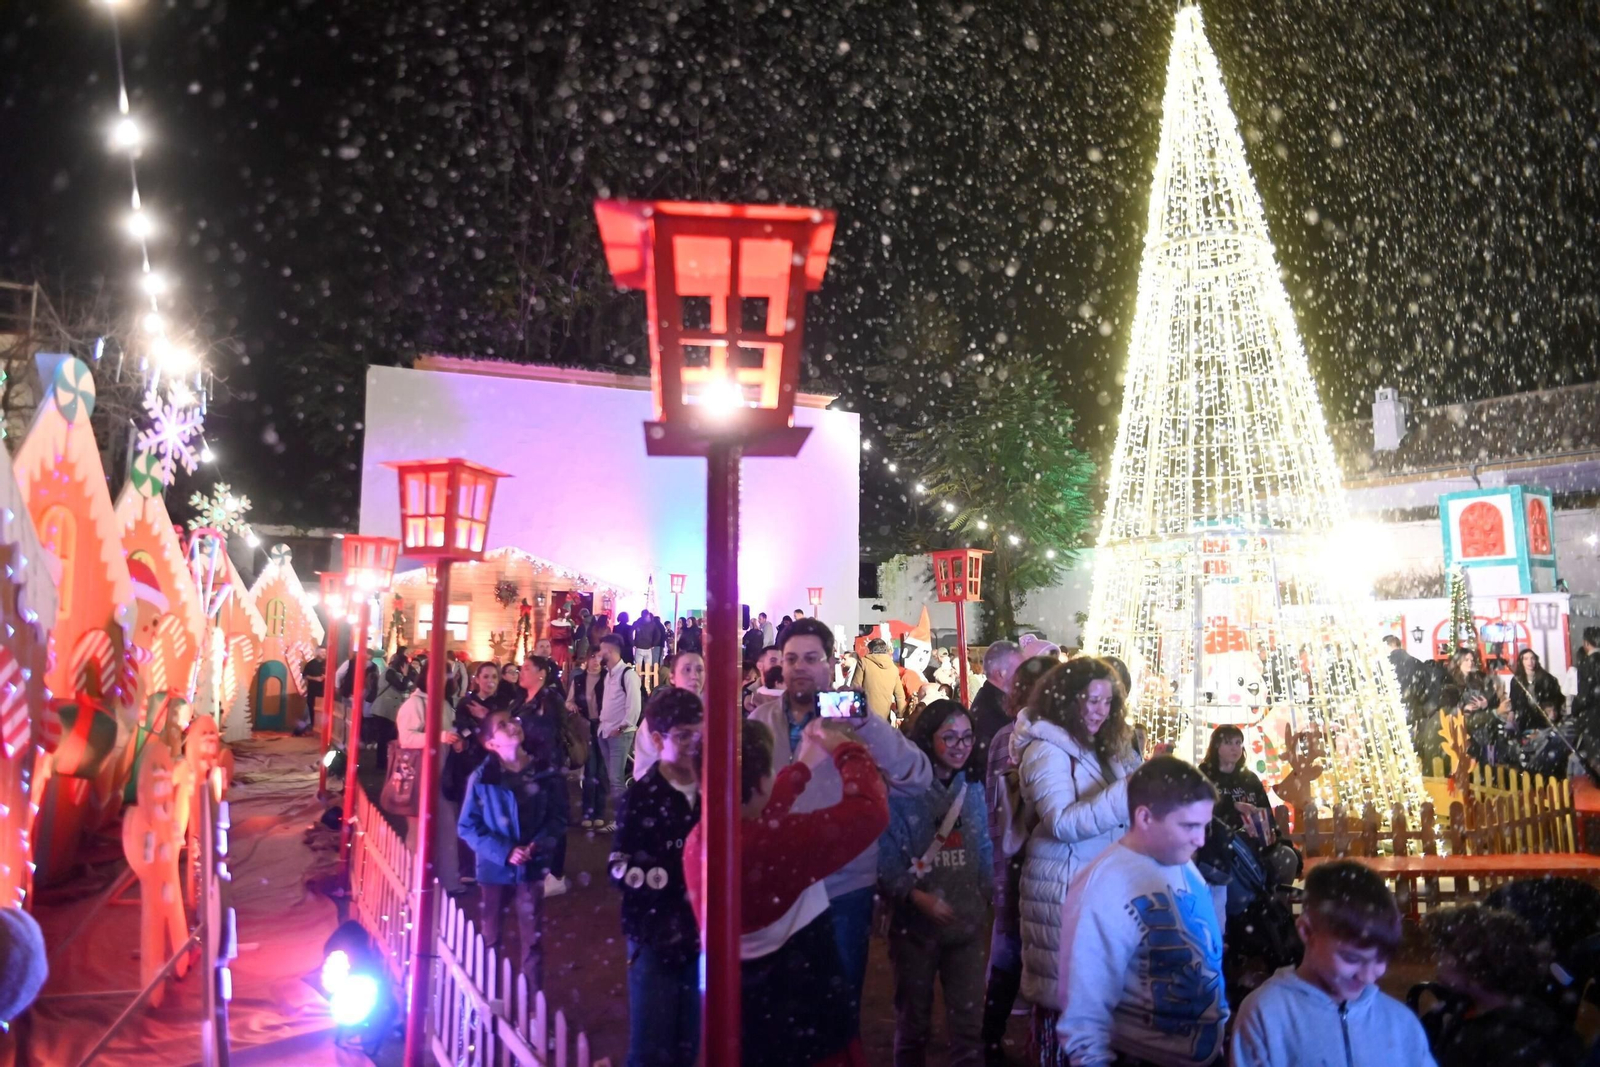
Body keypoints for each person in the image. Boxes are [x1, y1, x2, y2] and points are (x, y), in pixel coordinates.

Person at [748, 617, 932, 1029]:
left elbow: (917, 778)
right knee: (778, 1007)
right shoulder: (761, 722)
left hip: (843, 886)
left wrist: (867, 725)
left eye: (812, 658)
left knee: (839, 1005)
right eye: (791, 658)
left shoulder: (857, 721)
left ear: (831, 665)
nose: (799, 667)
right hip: (778, 886)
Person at [686, 717, 888, 1067]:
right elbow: (870, 812)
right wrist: (845, 748)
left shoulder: (703, 839)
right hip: (806, 1017)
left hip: (749, 1018)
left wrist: (801, 768)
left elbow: (757, 816)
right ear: (763, 780)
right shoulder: (775, 847)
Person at [1056, 757, 1226, 1067]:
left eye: (1204, 826)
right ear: (1145, 818)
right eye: (1189, 826)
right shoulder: (1102, 887)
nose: (1200, 839)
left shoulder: (1182, 861)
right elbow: (1085, 1013)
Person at [1016, 658, 1141, 1044]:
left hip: (1098, 886)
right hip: (1063, 887)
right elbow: (1061, 822)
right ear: (1066, 700)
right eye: (1088, 700)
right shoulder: (1046, 749)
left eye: (1106, 702)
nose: (1097, 711)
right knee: (1067, 1012)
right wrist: (1125, 791)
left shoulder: (1105, 746)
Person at [1230, 859, 1432, 1067]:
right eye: (1352, 958)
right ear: (1307, 931)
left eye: (1380, 959)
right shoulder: (1265, 1014)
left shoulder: (1400, 1023)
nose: (1368, 976)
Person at [880, 699, 992, 1067]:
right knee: (914, 1023)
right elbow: (885, 854)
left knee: (969, 1026)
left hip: (967, 925)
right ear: (928, 740)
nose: (961, 747)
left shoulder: (973, 786)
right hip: (915, 929)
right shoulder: (902, 791)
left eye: (967, 737)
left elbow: (985, 845)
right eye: (950, 737)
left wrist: (988, 892)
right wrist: (915, 897)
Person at [610, 687, 703, 1067]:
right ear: (657, 738)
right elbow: (618, 866)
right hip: (654, 936)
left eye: (699, 733)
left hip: (702, 937)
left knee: (693, 1041)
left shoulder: (717, 788)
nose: (694, 744)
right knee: (651, 1046)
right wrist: (671, 878)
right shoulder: (642, 796)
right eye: (683, 736)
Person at [981, 653, 1061, 1066]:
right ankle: (1021, 1041)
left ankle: (993, 1038)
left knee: (1011, 950)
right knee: (1032, 954)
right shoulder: (1046, 741)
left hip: (1015, 858)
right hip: (1039, 859)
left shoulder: (1003, 738)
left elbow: (997, 811)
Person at [457, 710, 568, 990]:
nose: (513, 726)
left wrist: (539, 844)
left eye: (513, 720)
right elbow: (467, 825)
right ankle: (488, 1000)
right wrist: (505, 851)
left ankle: (531, 1008)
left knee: (533, 939)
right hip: (494, 870)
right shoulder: (483, 778)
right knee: (491, 936)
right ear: (490, 743)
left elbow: (559, 817)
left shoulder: (543, 771)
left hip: (530, 867)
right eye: (502, 725)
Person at [1421, 904, 1582, 1067]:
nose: (1436, 956)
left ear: (1477, 962)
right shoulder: (1468, 1010)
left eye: (1443, 949)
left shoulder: (1517, 1039)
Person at [396, 672, 465, 895]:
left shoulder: (443, 703)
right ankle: (412, 881)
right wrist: (441, 737)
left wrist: (453, 740)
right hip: (420, 775)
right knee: (418, 832)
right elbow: (407, 738)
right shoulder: (414, 704)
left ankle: (449, 881)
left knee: (446, 825)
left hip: (442, 773)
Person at [511, 654, 572, 896]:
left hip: (547, 769)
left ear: (541, 673)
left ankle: (555, 874)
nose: (521, 672)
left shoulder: (549, 700)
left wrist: (521, 734)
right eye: (521, 668)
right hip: (528, 771)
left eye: (527, 668)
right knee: (534, 819)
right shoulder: (521, 701)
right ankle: (537, 867)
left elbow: (549, 734)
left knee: (553, 818)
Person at [633, 651, 704, 781]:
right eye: (687, 670)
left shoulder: (713, 711)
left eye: (699, 670)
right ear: (672, 676)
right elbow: (643, 770)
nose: (694, 676)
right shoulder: (657, 715)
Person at [595, 635, 641, 833]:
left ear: (611, 651)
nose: (599, 653)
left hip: (619, 733)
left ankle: (623, 821)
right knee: (614, 778)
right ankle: (622, 819)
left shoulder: (628, 674)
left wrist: (622, 727)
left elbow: (634, 706)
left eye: (602, 649)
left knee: (616, 779)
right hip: (606, 731)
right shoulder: (608, 674)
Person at [1197, 724, 1272, 838]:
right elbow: (1201, 809)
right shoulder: (1205, 775)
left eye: (1238, 743)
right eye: (1228, 743)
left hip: (1255, 841)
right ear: (1216, 746)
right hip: (1216, 842)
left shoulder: (1250, 778)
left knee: (1288, 853)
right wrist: (1234, 806)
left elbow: (1266, 811)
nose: (1234, 748)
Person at [566, 648, 609, 829]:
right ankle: (587, 812)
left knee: (602, 771)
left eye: (599, 657)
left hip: (605, 726)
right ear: (587, 660)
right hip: (586, 726)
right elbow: (568, 700)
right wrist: (572, 704)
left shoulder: (609, 678)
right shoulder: (578, 679)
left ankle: (599, 812)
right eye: (593, 657)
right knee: (590, 771)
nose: (596, 661)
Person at [969, 641, 1022, 779]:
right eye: (1019, 670)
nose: (1024, 677)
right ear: (1000, 674)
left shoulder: (993, 701)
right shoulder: (994, 710)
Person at [1510, 648, 1565, 729]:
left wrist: (1552, 708)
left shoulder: (1546, 678)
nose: (1530, 662)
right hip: (1525, 718)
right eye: (1526, 659)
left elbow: (1557, 697)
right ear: (1521, 662)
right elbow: (1513, 699)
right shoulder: (1516, 680)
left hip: (1543, 718)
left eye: (1532, 658)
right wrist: (1512, 712)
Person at [854, 637, 907, 721]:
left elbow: (855, 688)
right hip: (884, 718)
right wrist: (900, 715)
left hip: (866, 716)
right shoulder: (893, 668)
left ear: (870, 649)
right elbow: (899, 695)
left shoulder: (864, 662)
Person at [296, 654, 326, 736]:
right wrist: (315, 678)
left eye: (325, 651)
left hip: (325, 692)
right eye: (321, 651)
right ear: (317, 652)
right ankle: (306, 729)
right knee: (310, 709)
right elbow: (305, 676)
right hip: (313, 691)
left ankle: (319, 729)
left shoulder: (327, 663)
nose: (323, 653)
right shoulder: (310, 664)